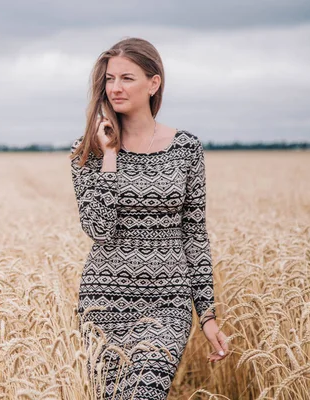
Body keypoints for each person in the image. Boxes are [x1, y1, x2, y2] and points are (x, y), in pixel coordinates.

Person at [69, 37, 229, 399]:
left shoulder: (186, 148)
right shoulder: (88, 150)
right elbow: (98, 228)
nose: (115, 88)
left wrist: (207, 315)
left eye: (127, 78)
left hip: (167, 303)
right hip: (104, 301)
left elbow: (194, 234)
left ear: (153, 83)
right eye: (109, 79)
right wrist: (109, 156)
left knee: (145, 391)